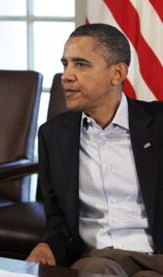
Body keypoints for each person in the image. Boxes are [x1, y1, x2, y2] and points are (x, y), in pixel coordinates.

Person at [26, 23, 163, 276]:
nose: (66, 75)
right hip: (97, 259)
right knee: (95, 270)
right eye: (65, 64)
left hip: (155, 259)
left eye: (80, 64)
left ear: (117, 74)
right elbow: (57, 218)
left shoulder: (158, 125)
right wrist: (47, 244)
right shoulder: (53, 135)